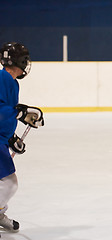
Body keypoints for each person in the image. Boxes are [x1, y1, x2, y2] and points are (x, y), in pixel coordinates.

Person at [0, 42, 44, 232]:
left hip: (1, 140)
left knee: (7, 184)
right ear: (17, 61)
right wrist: (19, 113)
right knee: (9, 184)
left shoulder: (12, 82)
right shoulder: (2, 77)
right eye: (25, 59)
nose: (27, 64)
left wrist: (11, 138)